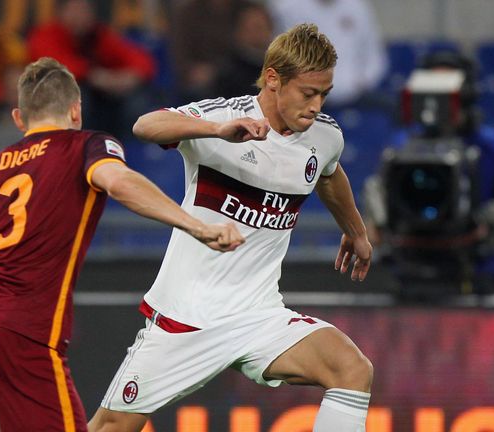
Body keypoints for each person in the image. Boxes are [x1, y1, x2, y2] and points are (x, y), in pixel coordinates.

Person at [0, 57, 243, 432]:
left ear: (19, 119)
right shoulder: (86, 145)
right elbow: (118, 183)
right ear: (75, 110)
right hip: (24, 329)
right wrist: (195, 226)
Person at [90, 23, 374, 432]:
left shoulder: (325, 136)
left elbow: (329, 174)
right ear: (274, 79)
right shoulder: (225, 118)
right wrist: (216, 130)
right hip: (186, 318)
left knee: (352, 369)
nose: (315, 105)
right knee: (109, 427)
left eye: (323, 94)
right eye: (307, 93)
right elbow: (144, 126)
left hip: (257, 316)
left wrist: (357, 231)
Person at [364, 51, 494, 295]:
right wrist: (373, 223)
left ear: (466, 93)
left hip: (477, 276)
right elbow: (378, 222)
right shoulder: (399, 148)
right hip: (409, 275)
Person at [26, 0, 156, 140]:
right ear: (61, 13)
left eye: (85, 10)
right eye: (74, 10)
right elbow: (57, 67)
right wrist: (94, 76)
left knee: (137, 99)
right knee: (76, 97)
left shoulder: (99, 35)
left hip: (103, 102)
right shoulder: (46, 34)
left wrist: (129, 77)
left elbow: (142, 60)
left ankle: (131, 151)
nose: (81, 16)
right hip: (50, 109)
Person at [267, 0, 387, 110]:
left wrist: (364, 81)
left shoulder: (357, 6)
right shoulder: (285, 8)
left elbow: (374, 55)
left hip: (357, 94)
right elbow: (281, 56)